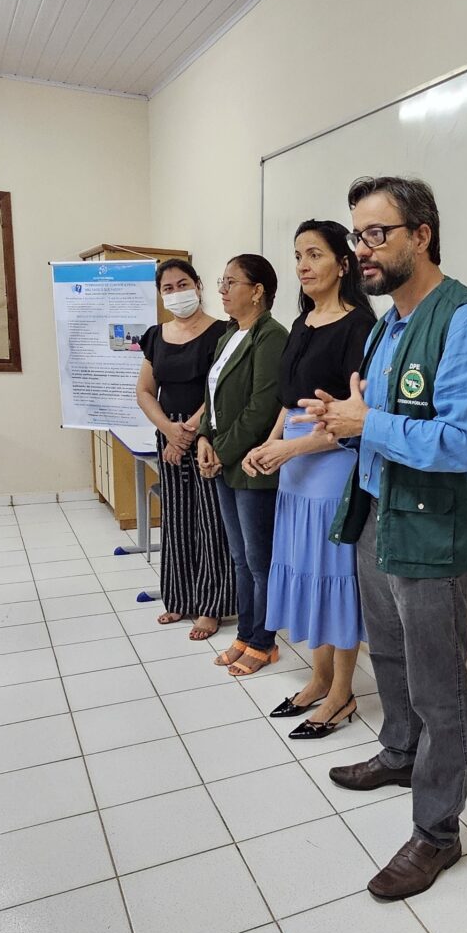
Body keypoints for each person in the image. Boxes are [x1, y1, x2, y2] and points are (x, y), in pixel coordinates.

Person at [297, 176, 467, 900]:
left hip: (431, 531)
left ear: (422, 235)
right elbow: (382, 420)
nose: (362, 250)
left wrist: (367, 425)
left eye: (376, 234)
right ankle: (396, 751)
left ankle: (436, 833)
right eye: (357, 235)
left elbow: (466, 442)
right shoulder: (389, 323)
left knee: (438, 685)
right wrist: (346, 415)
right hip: (378, 514)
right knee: (385, 650)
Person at [242, 220, 374, 738]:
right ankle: (318, 679)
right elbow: (287, 399)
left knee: (333, 577)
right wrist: (269, 446)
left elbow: (350, 418)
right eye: (298, 254)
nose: (302, 265)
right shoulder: (303, 323)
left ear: (343, 264)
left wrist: (287, 447)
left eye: (314, 254)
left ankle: (342, 693)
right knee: (304, 570)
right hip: (295, 465)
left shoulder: (360, 327)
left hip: (331, 462)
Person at [196, 255, 288, 676]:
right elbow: (213, 398)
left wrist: (222, 450)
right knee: (238, 556)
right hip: (226, 461)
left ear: (258, 291)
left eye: (231, 282)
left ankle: (264, 641)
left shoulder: (271, 337)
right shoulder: (229, 334)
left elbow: (262, 407)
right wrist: (203, 439)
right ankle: (245, 632)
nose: (222, 290)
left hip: (252, 465)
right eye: (222, 281)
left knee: (259, 558)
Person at [136, 258, 236, 641]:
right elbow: (144, 391)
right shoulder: (155, 335)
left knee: (210, 518)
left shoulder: (223, 332)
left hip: (208, 432)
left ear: (198, 284)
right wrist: (168, 430)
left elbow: (222, 389)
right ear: (161, 295)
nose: (177, 293)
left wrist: (189, 432)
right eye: (168, 289)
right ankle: (178, 597)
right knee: (176, 516)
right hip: (169, 433)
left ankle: (211, 607)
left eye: (183, 284)